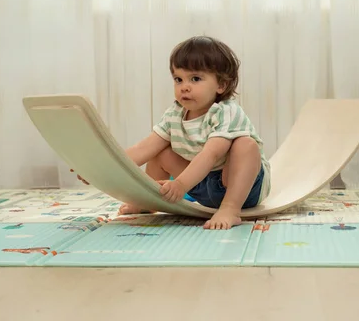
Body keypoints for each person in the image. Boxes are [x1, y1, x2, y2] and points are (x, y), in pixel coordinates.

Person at [78, 36, 271, 230]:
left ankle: (230, 208)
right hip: (202, 184)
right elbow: (143, 148)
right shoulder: (175, 113)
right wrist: (100, 170)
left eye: (195, 79)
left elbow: (210, 155)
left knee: (245, 145)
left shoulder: (226, 111)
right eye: (178, 79)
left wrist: (180, 184)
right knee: (159, 150)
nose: (184, 86)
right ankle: (149, 202)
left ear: (221, 85)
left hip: (239, 187)